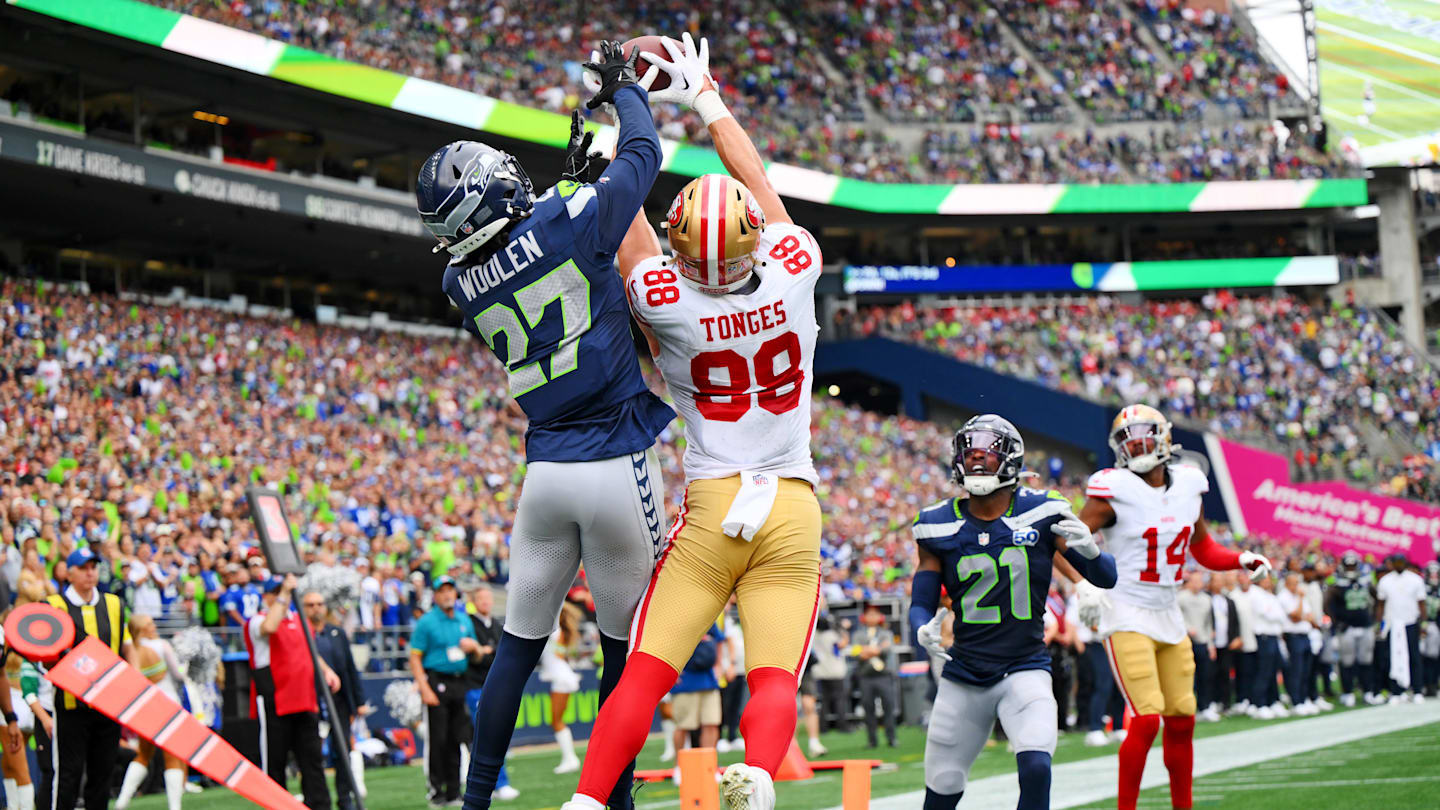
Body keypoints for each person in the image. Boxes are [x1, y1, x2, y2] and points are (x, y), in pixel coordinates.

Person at [565, 32, 825, 810]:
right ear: (754, 241)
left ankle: (586, 801)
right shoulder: (795, 267)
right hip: (791, 505)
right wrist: (705, 96)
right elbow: (758, 184)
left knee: (646, 672)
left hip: (715, 506)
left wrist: (621, 122)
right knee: (774, 676)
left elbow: (629, 224)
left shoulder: (667, 303)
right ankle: (761, 776)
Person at [431, 39, 674, 810]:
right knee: (622, 652)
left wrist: (567, 190)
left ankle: (474, 801)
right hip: (615, 459)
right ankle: (613, 802)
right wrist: (624, 89)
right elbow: (644, 153)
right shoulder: (569, 221)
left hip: (544, 476)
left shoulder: (457, 278)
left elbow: (523, 249)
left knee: (516, 648)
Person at [910, 415, 1117, 810]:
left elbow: (1107, 577)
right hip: (963, 675)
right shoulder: (936, 523)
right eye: (969, 454)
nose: (976, 461)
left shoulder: (1043, 510)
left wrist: (1092, 553)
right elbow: (921, 600)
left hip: (1025, 667)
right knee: (942, 789)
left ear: (1010, 460)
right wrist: (921, 626)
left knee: (1037, 767)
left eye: (986, 455)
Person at [1070, 405, 1271, 810]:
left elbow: (1204, 547)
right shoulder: (1112, 489)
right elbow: (1065, 540)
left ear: (1163, 437)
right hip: (1126, 610)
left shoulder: (1189, 484)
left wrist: (1240, 559)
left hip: (1169, 613)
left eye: (1143, 435)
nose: (1136, 444)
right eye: (1127, 439)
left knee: (1182, 718)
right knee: (1146, 719)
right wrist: (1081, 584)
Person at [46, 547, 139, 810]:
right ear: (69, 574)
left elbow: (127, 646)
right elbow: (44, 656)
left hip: (108, 702)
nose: (90, 573)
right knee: (69, 774)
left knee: (102, 773)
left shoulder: (114, 604)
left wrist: (134, 684)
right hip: (71, 704)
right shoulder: (53, 606)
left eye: (93, 567)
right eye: (83, 568)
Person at [247, 574, 340, 810]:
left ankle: (319, 806)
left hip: (304, 699)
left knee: (312, 760)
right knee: (275, 763)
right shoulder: (256, 621)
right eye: (277, 591)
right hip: (275, 699)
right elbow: (270, 627)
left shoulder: (299, 620)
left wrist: (327, 671)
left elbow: (310, 650)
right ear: (267, 596)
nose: (283, 596)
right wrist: (285, 593)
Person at [411, 576, 484, 806]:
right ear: (435, 595)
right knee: (438, 739)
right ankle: (436, 791)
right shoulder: (427, 622)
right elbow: (415, 657)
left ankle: (454, 791)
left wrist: (475, 648)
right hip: (437, 681)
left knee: (457, 737)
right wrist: (424, 688)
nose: (447, 595)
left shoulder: (463, 619)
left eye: (450, 590)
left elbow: (477, 655)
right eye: (442, 591)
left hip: (459, 680)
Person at [115, 614, 187, 810]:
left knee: (144, 754)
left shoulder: (129, 651)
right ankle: (175, 806)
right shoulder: (161, 646)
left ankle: (122, 802)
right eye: (149, 624)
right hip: (167, 703)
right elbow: (178, 674)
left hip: (144, 707)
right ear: (142, 629)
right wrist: (189, 666)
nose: (153, 626)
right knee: (172, 755)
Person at [306, 589, 367, 810]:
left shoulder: (336, 633)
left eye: (319, 603)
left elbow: (350, 668)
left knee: (343, 750)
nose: (316, 608)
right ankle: (317, 800)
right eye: (311, 604)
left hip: (339, 701)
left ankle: (345, 798)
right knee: (313, 754)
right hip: (312, 701)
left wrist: (358, 702)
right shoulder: (303, 635)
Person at [463, 586, 516, 803]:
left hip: (492, 685)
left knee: (492, 735)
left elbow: (502, 655)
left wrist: (486, 651)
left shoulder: (496, 624)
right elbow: (477, 657)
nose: (485, 601)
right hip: (475, 686)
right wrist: (484, 652)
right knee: (488, 736)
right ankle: (500, 784)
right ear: (473, 601)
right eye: (481, 598)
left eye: (487, 597)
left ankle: (489, 785)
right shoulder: (468, 623)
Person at [1327, 551, 1381, 705]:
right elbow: (1328, 605)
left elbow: (1378, 599)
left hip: (1365, 625)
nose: (1351, 569)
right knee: (1347, 661)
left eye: (1353, 566)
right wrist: (1337, 622)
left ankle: (1367, 691)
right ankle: (1348, 692)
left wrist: (1374, 619)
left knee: (1366, 660)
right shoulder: (1336, 582)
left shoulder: (1366, 580)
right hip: (1347, 627)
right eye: (1348, 566)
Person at [540, 603, 584, 775]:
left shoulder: (555, 631)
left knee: (556, 720)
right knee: (556, 720)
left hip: (561, 678)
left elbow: (558, 654)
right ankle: (569, 758)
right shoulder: (558, 631)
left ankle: (570, 759)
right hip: (561, 676)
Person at [1375, 553, 1426, 702]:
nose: (1398, 565)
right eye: (1396, 562)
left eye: (1401, 562)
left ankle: (1417, 690)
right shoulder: (1385, 580)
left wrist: (1424, 622)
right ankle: (1396, 691)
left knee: (1414, 657)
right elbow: (1380, 604)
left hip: (1410, 622)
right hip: (1392, 624)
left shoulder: (1415, 579)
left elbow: (1421, 603)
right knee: (1393, 657)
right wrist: (1379, 623)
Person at [854, 603, 898, 749]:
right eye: (869, 614)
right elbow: (857, 653)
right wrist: (876, 649)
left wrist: (867, 650)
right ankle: (872, 740)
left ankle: (891, 738)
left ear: (880, 617)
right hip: (866, 676)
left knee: (889, 707)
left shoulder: (886, 633)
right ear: (864, 617)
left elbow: (887, 649)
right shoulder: (858, 634)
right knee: (868, 708)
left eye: (875, 614)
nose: (872, 617)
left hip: (883, 675)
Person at [1247, 570, 1287, 718]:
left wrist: (1275, 614)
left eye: (1269, 579)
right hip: (1263, 637)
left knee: (1272, 671)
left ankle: (1272, 701)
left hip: (1273, 637)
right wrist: (1275, 614)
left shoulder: (1269, 595)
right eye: (1264, 579)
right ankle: (1260, 704)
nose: (1267, 582)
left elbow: (1281, 616)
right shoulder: (1255, 594)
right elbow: (1268, 614)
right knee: (1263, 671)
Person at [1175, 573, 1215, 721]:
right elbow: (1176, 616)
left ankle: (1204, 707)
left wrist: (1210, 644)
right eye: (1195, 581)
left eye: (1200, 580)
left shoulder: (1207, 599)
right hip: (1185, 641)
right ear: (1189, 582)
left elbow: (1208, 624)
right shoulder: (1181, 597)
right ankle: (1188, 708)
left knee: (1205, 676)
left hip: (1202, 642)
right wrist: (1187, 628)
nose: (1198, 583)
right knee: (1188, 677)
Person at [1279, 572, 1318, 714]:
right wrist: (1301, 599)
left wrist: (1303, 615)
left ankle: (1304, 698)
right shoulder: (1284, 597)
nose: (1296, 586)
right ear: (1287, 583)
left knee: (1306, 670)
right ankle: (1296, 701)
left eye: (1297, 583)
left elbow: (1309, 616)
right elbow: (1295, 617)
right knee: (1296, 670)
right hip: (1293, 636)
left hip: (1305, 635)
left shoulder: (1299, 595)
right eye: (1294, 583)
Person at [1207, 573, 1241, 717]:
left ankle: (1226, 703)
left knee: (1225, 673)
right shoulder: (1206, 599)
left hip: (1226, 643)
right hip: (1211, 644)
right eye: (1216, 581)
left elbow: (1235, 621)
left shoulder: (1228, 600)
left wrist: (1236, 637)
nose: (1219, 584)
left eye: (1221, 581)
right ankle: (1211, 702)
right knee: (1210, 674)